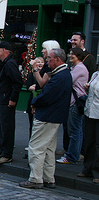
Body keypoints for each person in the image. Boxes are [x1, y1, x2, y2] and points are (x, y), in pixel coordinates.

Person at [20, 48, 72, 189]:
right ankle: (49, 178)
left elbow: (47, 95)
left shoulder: (60, 76)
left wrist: (34, 102)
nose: (47, 60)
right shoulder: (63, 74)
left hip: (48, 116)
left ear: (58, 59)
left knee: (36, 147)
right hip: (54, 116)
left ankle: (36, 179)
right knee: (49, 149)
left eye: (49, 58)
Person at [0, 41, 23, 164]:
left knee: (7, 127)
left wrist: (13, 98)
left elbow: (17, 82)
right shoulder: (4, 63)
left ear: (5, 50)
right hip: (1, 99)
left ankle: (7, 153)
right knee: (1, 127)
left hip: (6, 100)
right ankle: (1, 150)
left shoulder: (10, 64)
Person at [57, 48, 88, 165]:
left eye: (72, 54)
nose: (70, 56)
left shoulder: (79, 68)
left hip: (75, 102)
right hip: (75, 101)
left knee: (74, 131)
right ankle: (73, 154)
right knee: (76, 130)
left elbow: (67, 81)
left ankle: (71, 156)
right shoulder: (77, 68)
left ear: (78, 56)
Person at [80, 69, 99, 183]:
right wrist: (87, 87)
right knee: (89, 141)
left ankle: (96, 171)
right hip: (90, 111)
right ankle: (87, 168)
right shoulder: (95, 74)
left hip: (98, 112)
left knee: (98, 143)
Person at [25, 57, 45, 157]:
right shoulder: (31, 75)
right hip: (31, 101)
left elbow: (42, 86)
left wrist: (36, 86)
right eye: (38, 62)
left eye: (42, 62)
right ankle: (31, 144)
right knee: (31, 125)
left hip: (41, 103)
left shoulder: (45, 75)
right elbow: (29, 87)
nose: (40, 64)